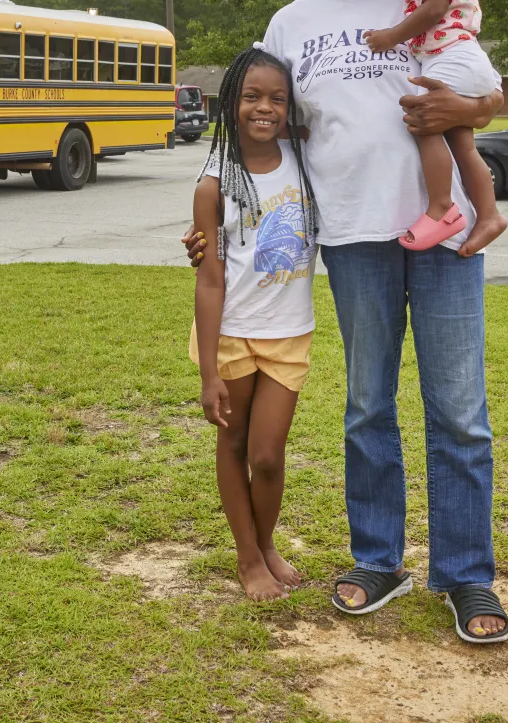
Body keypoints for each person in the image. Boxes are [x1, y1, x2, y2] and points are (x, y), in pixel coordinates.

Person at [186, 0, 508, 643]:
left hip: (444, 232)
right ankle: (377, 559)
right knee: (368, 405)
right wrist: (216, 215)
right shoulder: (291, 21)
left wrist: (461, 108)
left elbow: (486, 94)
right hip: (352, 236)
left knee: (459, 412)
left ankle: (465, 574)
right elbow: (262, 125)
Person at [191, 45, 320, 601]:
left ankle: (266, 543)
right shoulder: (213, 184)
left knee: (268, 455)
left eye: (276, 99)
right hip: (232, 333)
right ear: (230, 103)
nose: (263, 108)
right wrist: (208, 375)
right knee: (234, 443)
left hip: (289, 330)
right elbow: (211, 277)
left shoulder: (306, 159)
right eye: (250, 97)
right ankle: (249, 559)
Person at [361, 0, 506, 254]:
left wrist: (390, 36)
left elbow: (435, 9)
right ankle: (489, 214)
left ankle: (442, 208)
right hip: (465, 59)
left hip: (452, 57)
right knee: (462, 144)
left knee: (423, 121)